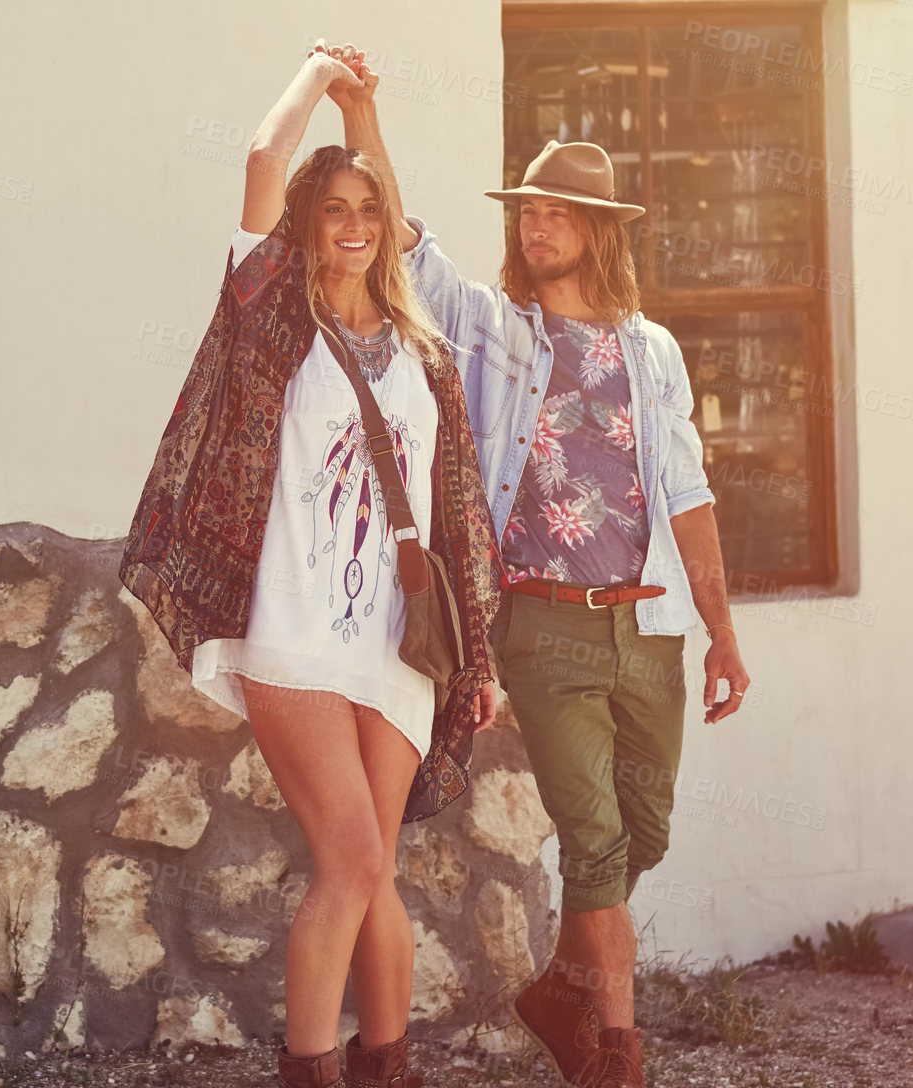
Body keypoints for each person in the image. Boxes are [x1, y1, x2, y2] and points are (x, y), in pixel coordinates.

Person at [318, 42, 752, 1088]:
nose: (535, 221)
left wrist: (723, 629)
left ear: (596, 230)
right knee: (595, 843)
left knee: (640, 832)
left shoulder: (652, 352)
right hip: (543, 625)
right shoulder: (491, 329)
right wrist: (363, 116)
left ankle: (563, 985)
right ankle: (615, 1053)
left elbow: (686, 495)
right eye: (526, 208)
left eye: (555, 210)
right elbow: (407, 245)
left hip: (646, 625)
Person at [119, 49, 505, 1088]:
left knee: (380, 874)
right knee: (351, 865)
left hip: (400, 638)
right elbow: (260, 152)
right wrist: (317, 74)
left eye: (367, 210)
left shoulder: (422, 344)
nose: (352, 224)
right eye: (331, 207)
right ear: (303, 221)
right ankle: (311, 1069)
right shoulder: (273, 319)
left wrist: (369, 113)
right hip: (294, 632)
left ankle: (390, 1065)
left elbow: (455, 507)